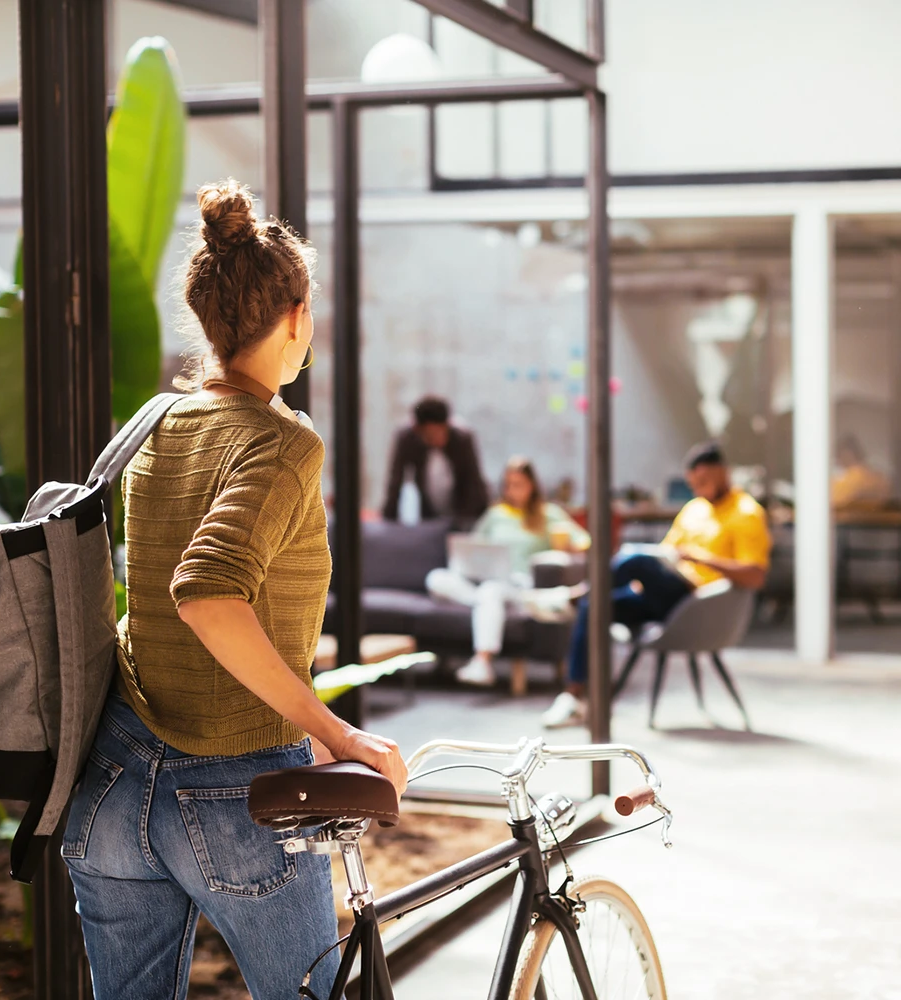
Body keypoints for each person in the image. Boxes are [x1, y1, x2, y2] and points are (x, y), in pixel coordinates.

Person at [61, 179, 407, 1000]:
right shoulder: (282, 444)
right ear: (296, 320)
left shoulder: (154, 424)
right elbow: (206, 592)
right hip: (236, 793)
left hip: (112, 783)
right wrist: (335, 732)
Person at [542, 442, 771, 728]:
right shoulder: (694, 509)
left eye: (703, 482)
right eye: (693, 484)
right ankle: (574, 697)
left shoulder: (746, 512)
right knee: (596, 606)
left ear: (722, 472)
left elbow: (755, 576)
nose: (698, 490)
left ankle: (577, 594)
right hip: (666, 597)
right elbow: (666, 553)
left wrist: (702, 558)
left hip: (699, 602)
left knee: (634, 558)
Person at [426, 457, 590, 687]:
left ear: (531, 485)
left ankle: (482, 662)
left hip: (519, 585)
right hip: (485, 580)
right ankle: (486, 605)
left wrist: (565, 546)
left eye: (518, 484)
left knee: (491, 591)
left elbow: (584, 540)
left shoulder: (547, 513)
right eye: (508, 484)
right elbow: (473, 545)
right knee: (436, 578)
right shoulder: (496, 514)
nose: (512, 490)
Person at [382, 396, 489, 528]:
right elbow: (395, 481)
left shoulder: (463, 438)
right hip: (430, 512)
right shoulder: (406, 439)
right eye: (430, 435)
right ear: (418, 430)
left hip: (464, 510)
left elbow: (473, 483)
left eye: (440, 432)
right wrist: (389, 523)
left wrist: (464, 522)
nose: (437, 439)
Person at [832, 434, 891, 510]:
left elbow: (834, 499)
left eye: (839, 454)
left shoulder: (856, 475)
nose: (837, 459)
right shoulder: (872, 474)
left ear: (848, 454)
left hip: (859, 519)